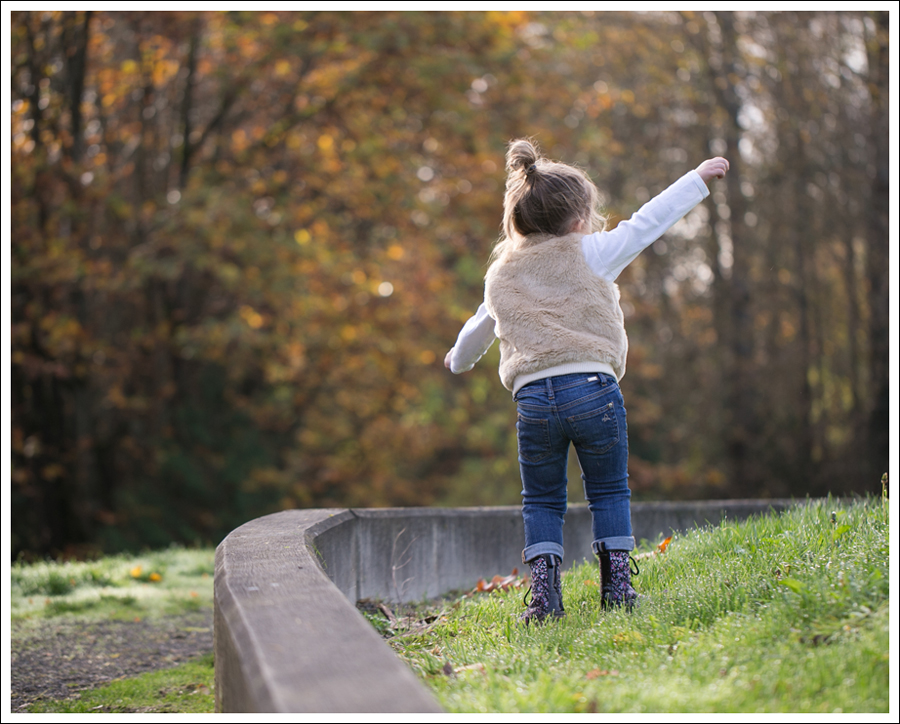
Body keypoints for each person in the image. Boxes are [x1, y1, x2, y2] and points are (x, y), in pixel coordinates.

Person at [444, 138, 728, 623]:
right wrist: (696, 179)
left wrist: (456, 361)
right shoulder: (592, 254)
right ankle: (617, 589)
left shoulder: (501, 274)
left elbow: (474, 334)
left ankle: (545, 598)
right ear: (578, 218)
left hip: (533, 399)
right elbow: (647, 222)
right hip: (594, 392)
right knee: (610, 491)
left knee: (541, 499)